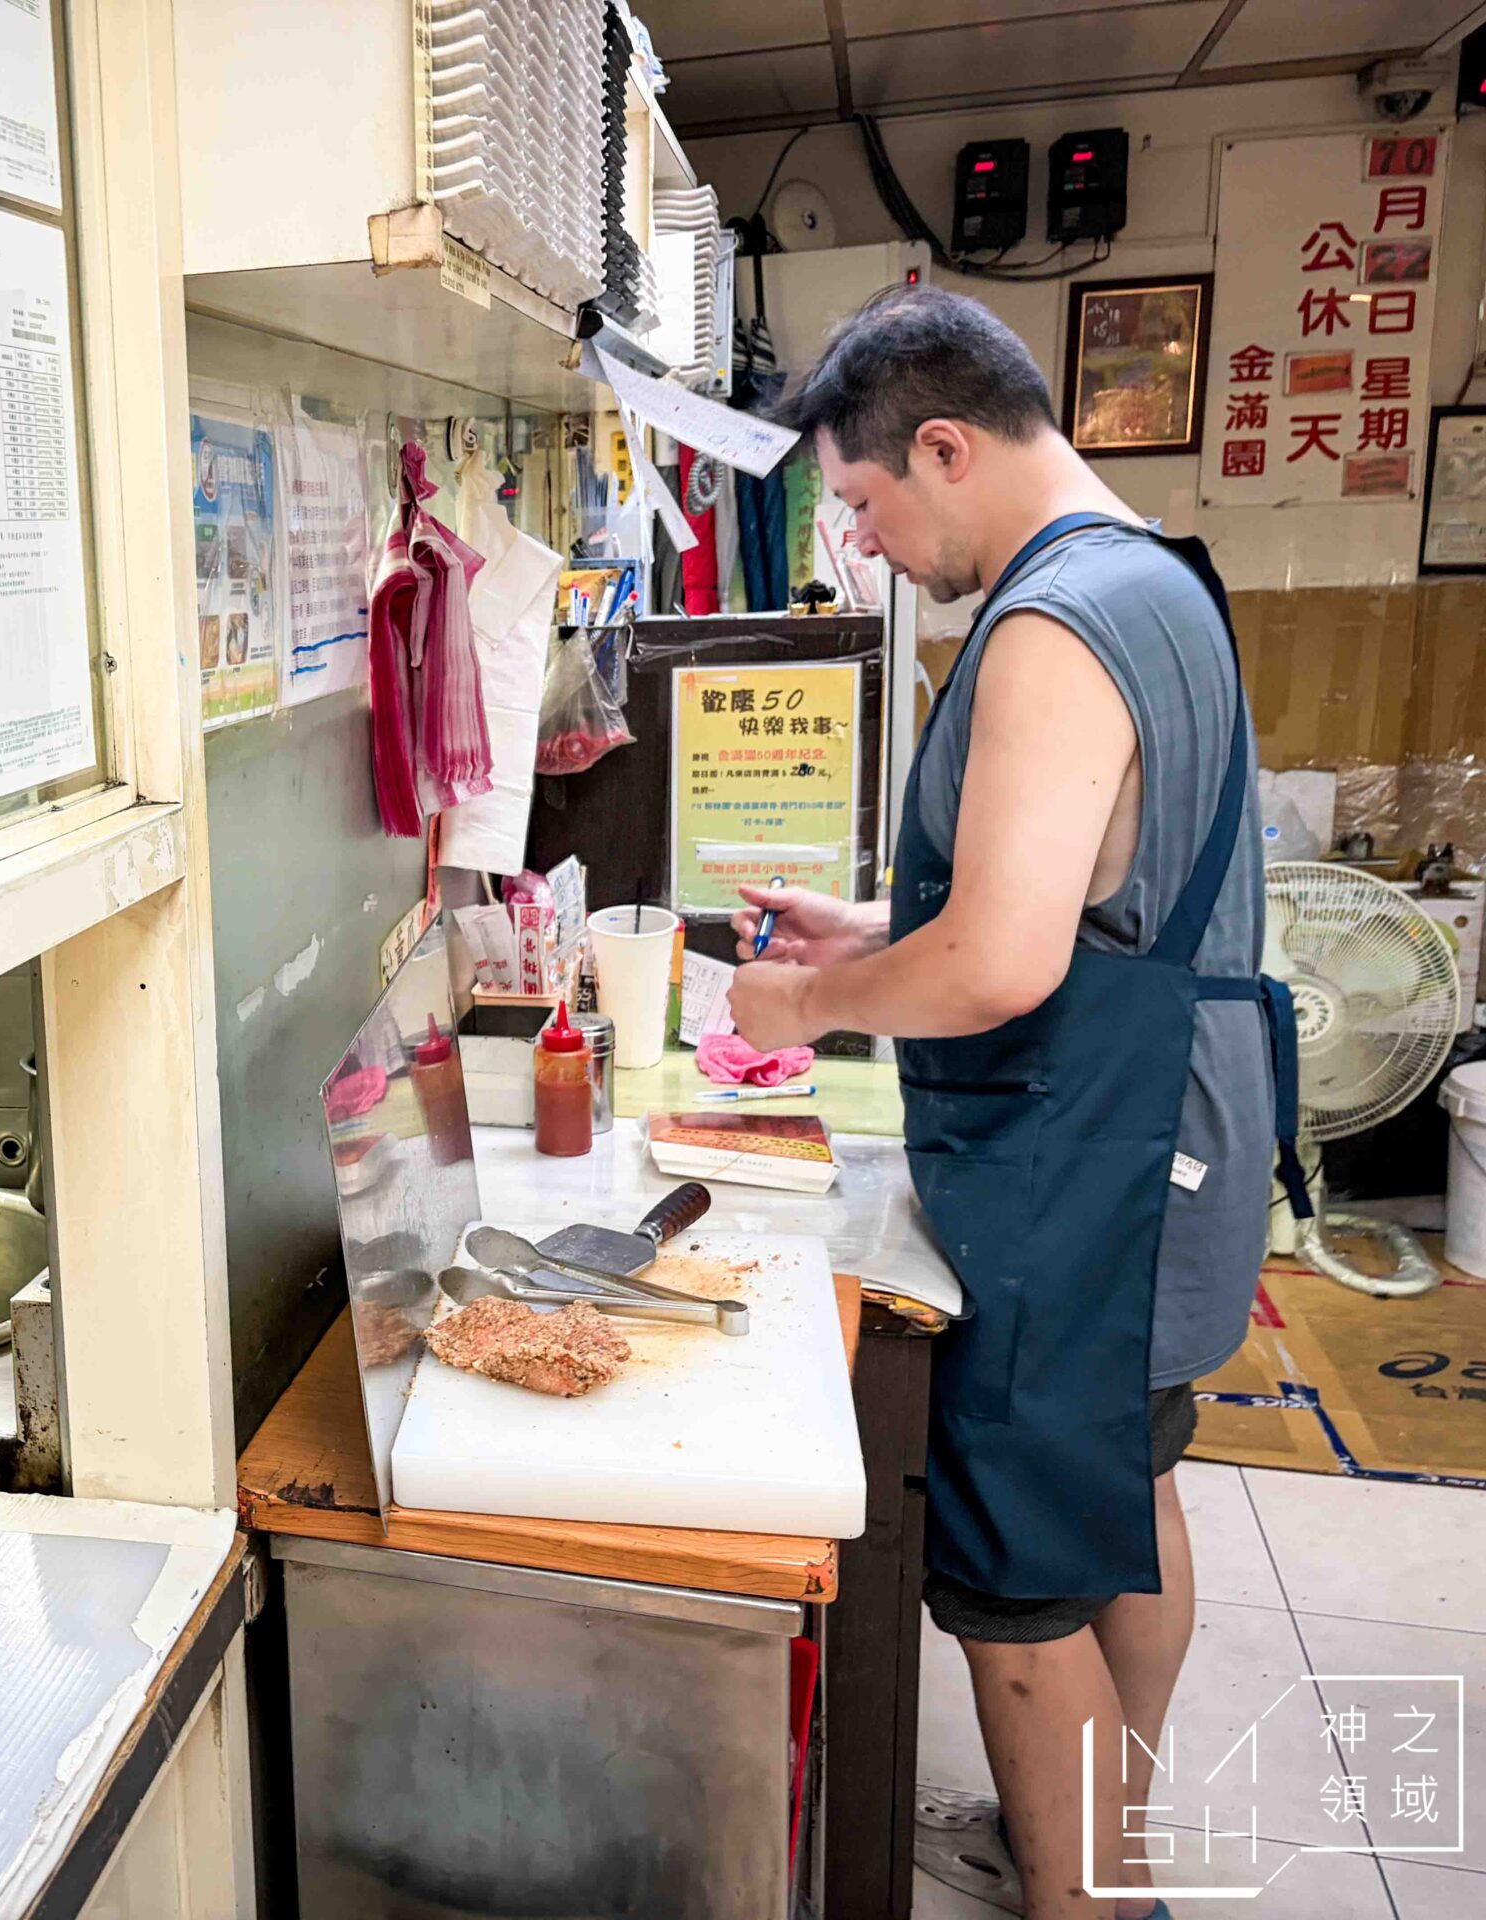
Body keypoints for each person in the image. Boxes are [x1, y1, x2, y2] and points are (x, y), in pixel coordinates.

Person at [726, 287, 1307, 1920]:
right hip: (1172, 1142)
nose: (870, 544)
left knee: (1019, 1581)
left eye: (862, 505)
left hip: (1085, 1170)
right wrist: (871, 937)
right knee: (1127, 1490)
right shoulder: (1158, 580)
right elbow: (1098, 895)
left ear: (945, 446)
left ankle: (1075, 1898)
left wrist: (805, 1000)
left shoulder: (1050, 624)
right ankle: (1102, 1842)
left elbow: (997, 962)